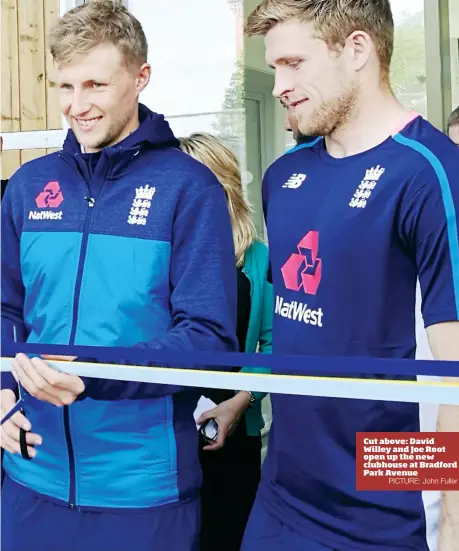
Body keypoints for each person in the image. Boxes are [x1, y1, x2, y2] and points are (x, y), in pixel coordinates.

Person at [0, 2, 238, 551]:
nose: (76, 107)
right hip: (29, 481)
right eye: (65, 87)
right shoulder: (28, 186)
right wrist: (4, 388)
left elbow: (208, 338)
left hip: (141, 495)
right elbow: (7, 309)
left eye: (94, 85)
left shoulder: (189, 189)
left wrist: (94, 373)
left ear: (140, 78)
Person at [242, 1, 459, 551]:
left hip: (387, 511)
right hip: (283, 495)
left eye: (294, 63)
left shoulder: (433, 174)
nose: (279, 86)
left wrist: (456, 527)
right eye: (274, 68)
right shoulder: (283, 177)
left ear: (357, 50)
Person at [179, 132, 273, 551]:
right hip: (170, 427)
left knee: (226, 537)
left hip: (235, 433)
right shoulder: (162, 251)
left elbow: (275, 344)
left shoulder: (259, 259)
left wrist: (242, 400)